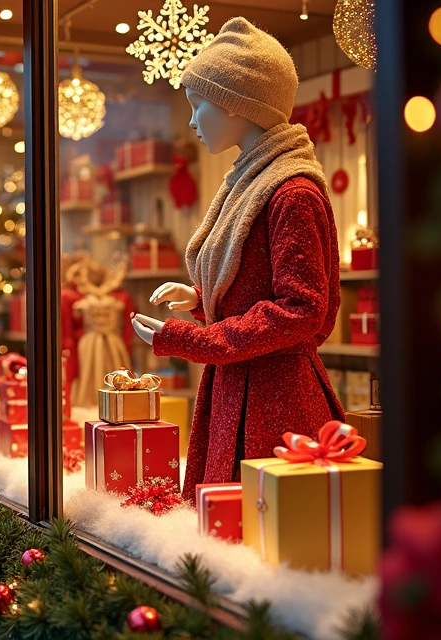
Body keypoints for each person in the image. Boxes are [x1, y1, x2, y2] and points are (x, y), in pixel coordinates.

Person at [131, 18, 345, 500]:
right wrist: (205, 298)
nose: (191, 120)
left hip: (276, 401)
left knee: (265, 538)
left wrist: (195, 339)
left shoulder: (292, 193)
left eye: (197, 103)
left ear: (238, 104)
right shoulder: (248, 183)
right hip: (239, 387)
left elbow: (301, 308)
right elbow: (261, 288)